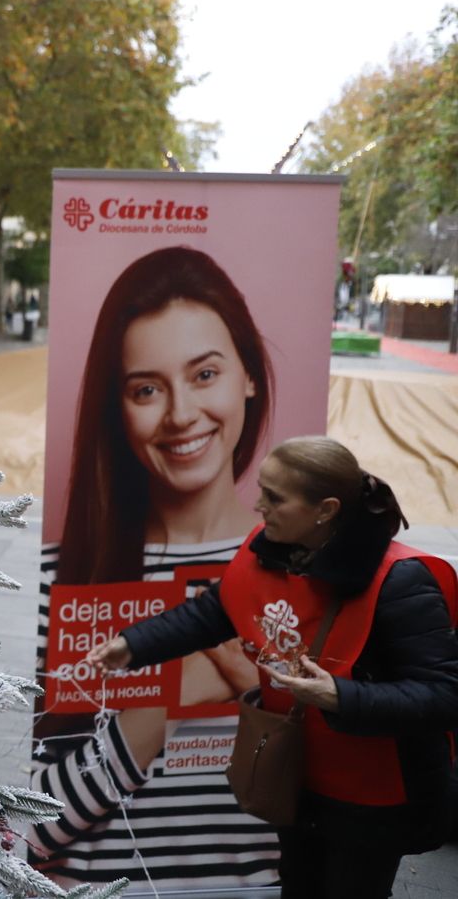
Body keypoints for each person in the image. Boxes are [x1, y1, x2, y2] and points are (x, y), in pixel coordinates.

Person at [87, 436, 458, 899]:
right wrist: (132, 645)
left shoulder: (402, 580)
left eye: (275, 497)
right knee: (299, 884)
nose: (259, 505)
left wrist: (340, 697)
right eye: (262, 489)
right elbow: (213, 612)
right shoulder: (269, 550)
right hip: (298, 775)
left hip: (374, 796)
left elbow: (444, 695)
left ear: (325, 510)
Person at [35, 245, 276, 888]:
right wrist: (174, 697)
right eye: (147, 388)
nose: (181, 414)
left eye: (205, 374)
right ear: (117, 408)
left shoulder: (302, 573)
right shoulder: (66, 575)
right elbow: (27, 825)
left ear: (248, 375)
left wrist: (268, 695)